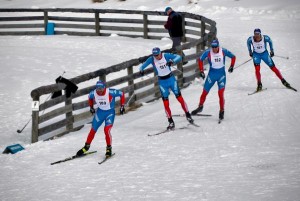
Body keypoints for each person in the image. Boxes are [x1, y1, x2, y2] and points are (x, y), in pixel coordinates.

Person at [139, 47, 194, 130]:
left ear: (160, 53)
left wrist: (172, 61)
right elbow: (142, 66)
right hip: (162, 83)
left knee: (180, 99)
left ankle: (188, 115)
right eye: (154, 55)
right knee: (166, 104)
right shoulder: (152, 59)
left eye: (157, 55)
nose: (156, 57)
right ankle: (171, 122)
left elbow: (178, 57)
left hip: (171, 80)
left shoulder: (166, 55)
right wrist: (141, 70)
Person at [76, 80, 125, 157]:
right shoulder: (94, 93)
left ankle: (109, 148)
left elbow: (122, 94)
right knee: (93, 129)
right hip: (100, 113)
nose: (99, 91)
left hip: (110, 113)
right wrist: (91, 107)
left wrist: (122, 106)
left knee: (106, 130)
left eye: (101, 89)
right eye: (97, 88)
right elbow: (89, 97)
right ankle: (86, 147)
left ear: (104, 88)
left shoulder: (110, 92)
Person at [191, 39, 236, 121]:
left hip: (221, 75)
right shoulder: (208, 52)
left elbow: (233, 57)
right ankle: (200, 107)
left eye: (215, 47)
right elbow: (200, 60)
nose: (214, 49)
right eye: (213, 47)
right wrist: (201, 71)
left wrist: (232, 66)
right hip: (212, 75)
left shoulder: (223, 51)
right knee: (205, 91)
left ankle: (221, 111)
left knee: (220, 94)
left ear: (218, 46)